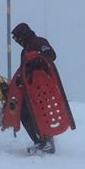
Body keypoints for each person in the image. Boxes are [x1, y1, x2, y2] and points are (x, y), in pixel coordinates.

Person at [11, 22, 58, 154]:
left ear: (23, 34)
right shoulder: (24, 50)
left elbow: (50, 54)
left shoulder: (39, 42)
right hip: (30, 88)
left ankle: (45, 141)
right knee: (26, 112)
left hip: (43, 86)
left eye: (17, 38)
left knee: (39, 112)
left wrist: (37, 62)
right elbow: (24, 70)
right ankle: (42, 140)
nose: (17, 41)